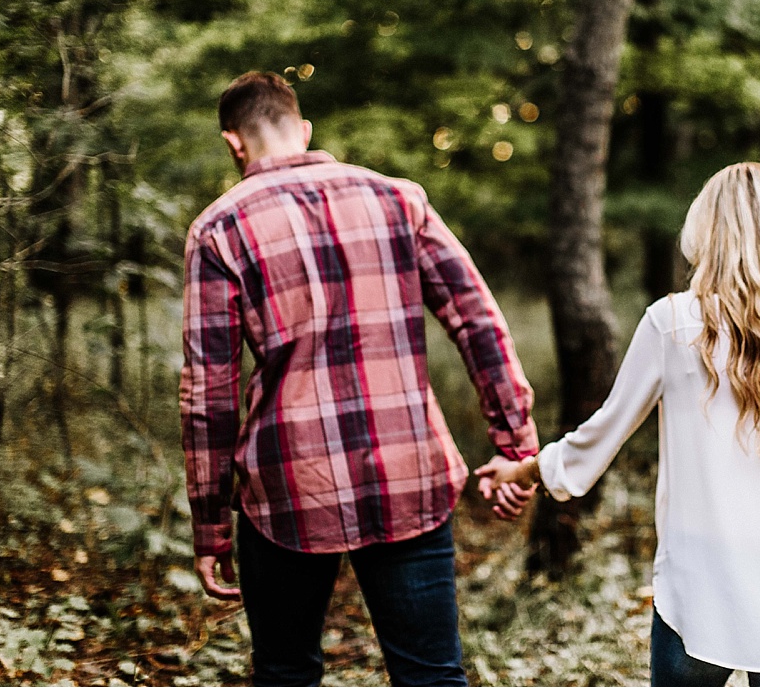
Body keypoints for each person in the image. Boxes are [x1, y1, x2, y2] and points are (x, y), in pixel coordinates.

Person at [179, 71, 538, 687]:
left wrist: (211, 524)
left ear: (233, 143)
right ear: (305, 129)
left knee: (287, 673)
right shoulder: (400, 200)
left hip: (289, 491)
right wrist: (516, 444)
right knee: (431, 676)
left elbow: (208, 395)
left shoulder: (219, 229)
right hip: (407, 474)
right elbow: (477, 321)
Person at [476, 162, 760, 687]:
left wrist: (522, 472)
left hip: (704, 586)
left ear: (706, 230)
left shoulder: (672, 322)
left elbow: (598, 438)